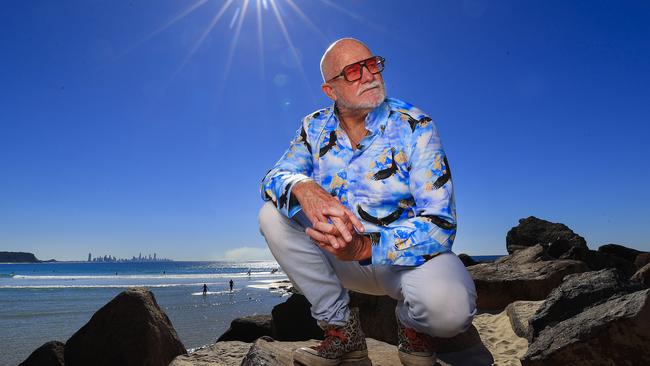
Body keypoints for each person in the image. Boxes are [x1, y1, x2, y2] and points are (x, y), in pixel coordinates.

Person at [258, 38, 477, 366]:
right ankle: (342, 331)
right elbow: (273, 178)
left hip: (406, 263)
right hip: (339, 257)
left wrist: (364, 247)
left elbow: (441, 224)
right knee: (271, 215)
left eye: (372, 64)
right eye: (352, 71)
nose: (369, 75)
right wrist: (303, 185)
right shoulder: (313, 127)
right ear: (330, 91)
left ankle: (412, 327)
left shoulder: (416, 126)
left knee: (450, 310)